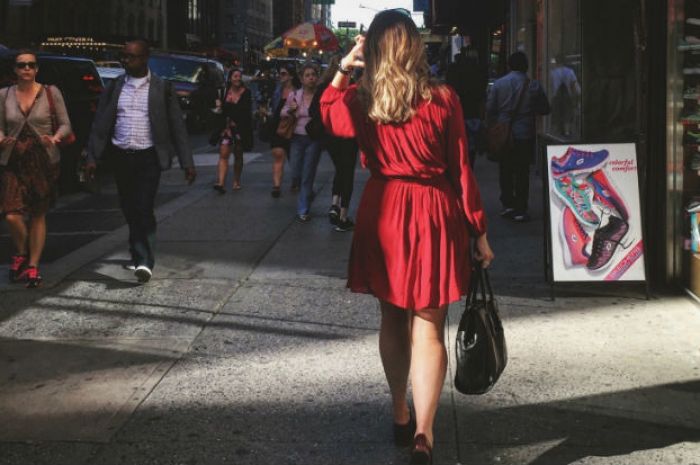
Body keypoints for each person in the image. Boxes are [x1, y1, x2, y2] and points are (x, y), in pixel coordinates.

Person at [320, 11, 494, 465]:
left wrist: (347, 62)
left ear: (374, 49)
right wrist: (478, 229)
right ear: (415, 47)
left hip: (385, 211)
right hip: (434, 211)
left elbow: (327, 115)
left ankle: (400, 409)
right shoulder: (443, 98)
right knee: (429, 326)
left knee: (392, 318)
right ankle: (424, 431)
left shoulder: (363, 100)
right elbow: (460, 168)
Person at [86, 39, 196, 283]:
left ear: (145, 58)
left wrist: (187, 162)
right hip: (121, 156)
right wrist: (92, 156)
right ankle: (137, 251)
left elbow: (178, 127)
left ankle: (145, 260)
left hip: (149, 157)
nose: (125, 60)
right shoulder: (114, 86)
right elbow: (100, 125)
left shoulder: (161, 88)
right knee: (128, 206)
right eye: (123, 56)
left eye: (131, 56)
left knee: (144, 206)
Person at [0, 50, 72, 288]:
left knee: (38, 214)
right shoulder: (4, 94)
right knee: (11, 214)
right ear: (15, 69)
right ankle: (21, 253)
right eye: (22, 65)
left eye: (31, 65)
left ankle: (32, 266)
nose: (26, 69)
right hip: (14, 160)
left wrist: (55, 137)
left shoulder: (51, 93)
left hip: (43, 160)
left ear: (37, 68)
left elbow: (65, 124)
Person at [486, 51, 550, 223]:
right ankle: (521, 208)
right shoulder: (534, 85)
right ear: (526, 66)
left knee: (505, 169)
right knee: (522, 171)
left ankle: (508, 204)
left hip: (504, 134)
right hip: (525, 134)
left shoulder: (499, 84)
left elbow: (490, 109)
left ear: (509, 65)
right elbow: (545, 108)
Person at [309, 56, 359, 232]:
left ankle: (334, 203)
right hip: (350, 136)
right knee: (348, 173)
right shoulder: (354, 88)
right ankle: (343, 215)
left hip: (330, 136)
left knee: (340, 169)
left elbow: (312, 110)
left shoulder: (324, 88)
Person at [281, 63, 323, 223]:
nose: (311, 78)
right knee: (296, 172)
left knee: (308, 173)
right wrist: (290, 110)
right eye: (307, 75)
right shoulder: (295, 95)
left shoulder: (320, 95)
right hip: (297, 137)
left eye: (313, 75)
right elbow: (282, 112)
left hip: (313, 138)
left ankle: (303, 209)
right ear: (302, 78)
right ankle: (308, 192)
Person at [446, 47, 488, 168]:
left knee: (458, 142)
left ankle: (461, 163)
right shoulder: (479, 71)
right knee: (471, 146)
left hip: (457, 111)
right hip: (473, 112)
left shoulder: (453, 69)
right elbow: (482, 92)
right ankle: (469, 164)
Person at [213, 69, 253, 192]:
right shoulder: (224, 92)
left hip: (240, 129)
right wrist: (219, 107)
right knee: (224, 153)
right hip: (227, 128)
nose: (237, 78)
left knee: (238, 155)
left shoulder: (246, 93)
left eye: (239, 76)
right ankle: (221, 182)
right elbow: (220, 111)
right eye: (235, 76)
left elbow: (247, 112)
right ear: (230, 78)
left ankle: (236, 180)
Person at [268, 65, 300, 197]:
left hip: (293, 127)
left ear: (291, 76)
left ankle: (295, 181)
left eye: (283, 74)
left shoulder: (298, 92)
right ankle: (276, 186)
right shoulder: (277, 90)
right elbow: (273, 108)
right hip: (278, 126)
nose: (280, 76)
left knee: (294, 158)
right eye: (280, 74)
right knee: (278, 154)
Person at [549, 54, 580, 138]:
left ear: (557, 61)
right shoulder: (570, 71)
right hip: (567, 98)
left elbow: (550, 87)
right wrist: (576, 97)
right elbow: (574, 85)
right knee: (567, 116)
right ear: (564, 61)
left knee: (557, 116)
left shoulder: (553, 73)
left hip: (556, 98)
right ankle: (567, 133)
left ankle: (556, 135)